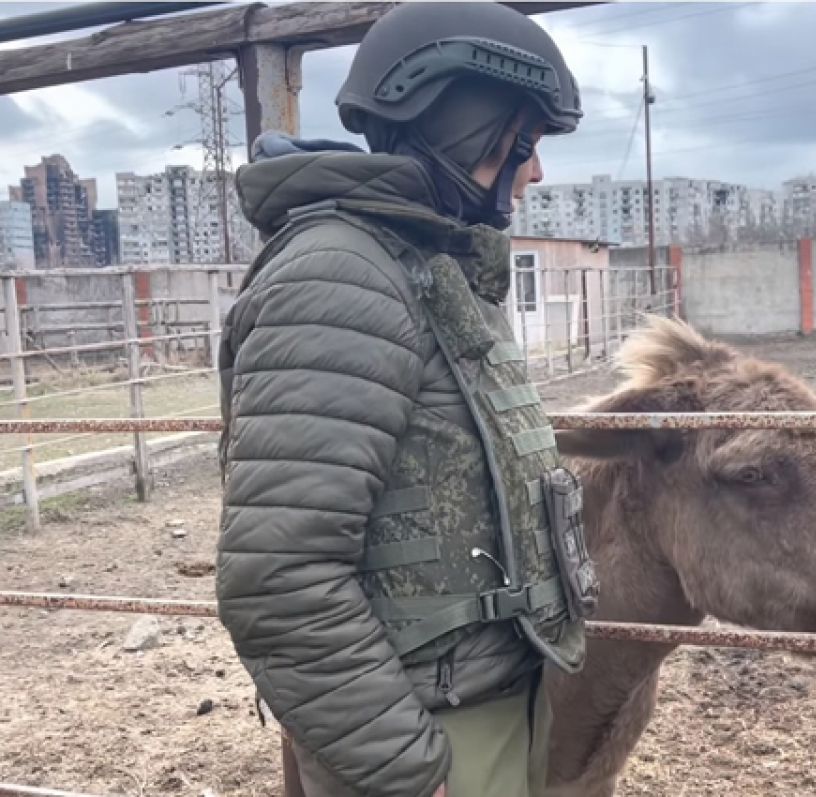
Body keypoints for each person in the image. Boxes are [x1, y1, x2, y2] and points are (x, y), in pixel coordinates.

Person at [213, 4, 598, 797]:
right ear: (466, 128)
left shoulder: (424, 264)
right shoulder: (340, 277)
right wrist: (407, 771)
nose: (535, 171)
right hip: (423, 736)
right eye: (522, 143)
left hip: (483, 704)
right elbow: (279, 576)